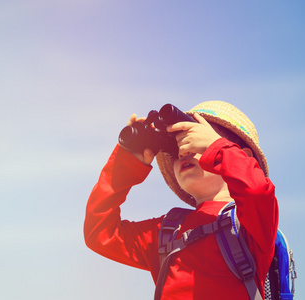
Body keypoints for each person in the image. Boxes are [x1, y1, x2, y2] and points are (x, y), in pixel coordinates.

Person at [84, 101, 279, 299]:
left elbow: (257, 190)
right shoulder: (168, 231)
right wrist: (126, 164)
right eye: (176, 149)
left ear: (242, 156)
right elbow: (100, 233)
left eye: (194, 144)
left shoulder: (251, 223)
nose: (183, 152)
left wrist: (216, 148)